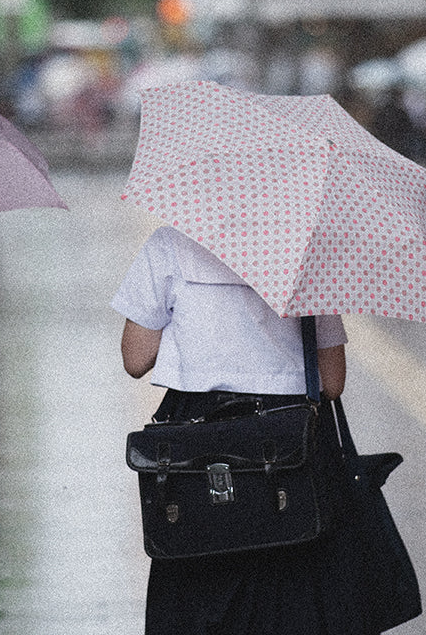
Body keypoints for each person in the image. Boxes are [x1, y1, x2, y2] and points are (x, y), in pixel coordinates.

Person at [112, 224, 365, 635]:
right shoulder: (306, 248)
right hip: (285, 452)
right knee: (287, 593)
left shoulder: (169, 244)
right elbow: (332, 381)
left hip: (196, 453)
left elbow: (136, 359)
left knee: (194, 588)